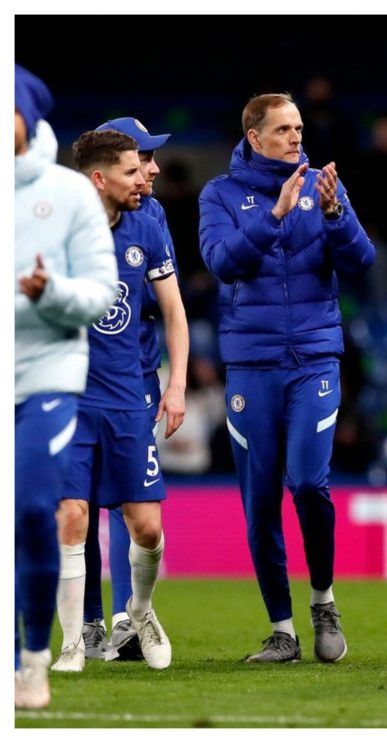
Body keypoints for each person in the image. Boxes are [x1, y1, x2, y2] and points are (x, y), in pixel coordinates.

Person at [199, 92, 375, 663]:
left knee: (307, 482)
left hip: (314, 362)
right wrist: (274, 214)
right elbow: (223, 262)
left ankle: (323, 600)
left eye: (299, 128)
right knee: (259, 503)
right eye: (284, 129)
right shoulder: (219, 195)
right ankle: (282, 629)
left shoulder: (325, 187)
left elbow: (363, 262)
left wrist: (334, 215)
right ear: (255, 136)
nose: (297, 137)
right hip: (252, 366)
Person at [52, 129, 187, 673]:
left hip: (131, 399)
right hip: (68, 400)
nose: (144, 178)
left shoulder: (145, 230)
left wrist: (174, 385)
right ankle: (71, 644)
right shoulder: (54, 234)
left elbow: (174, 312)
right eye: (133, 171)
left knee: (147, 528)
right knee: (73, 517)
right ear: (99, 178)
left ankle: (140, 611)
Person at [14, 64, 118, 709]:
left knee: (31, 509)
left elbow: (101, 291)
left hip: (46, 375)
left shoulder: (70, 193)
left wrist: (50, 292)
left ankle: (32, 656)